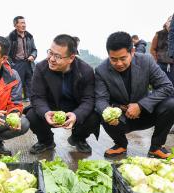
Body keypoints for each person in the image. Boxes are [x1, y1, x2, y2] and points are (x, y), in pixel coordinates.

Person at [95, 31, 174, 159]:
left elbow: (166, 86)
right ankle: (120, 144)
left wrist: (141, 105)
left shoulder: (146, 61)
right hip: (120, 119)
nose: (118, 63)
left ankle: (156, 147)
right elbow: (100, 99)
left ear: (132, 52)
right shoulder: (101, 70)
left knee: (171, 104)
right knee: (99, 111)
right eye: (113, 59)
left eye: (123, 58)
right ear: (108, 55)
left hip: (146, 113)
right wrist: (108, 112)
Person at [25, 34, 100, 154]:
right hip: (50, 108)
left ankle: (78, 139)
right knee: (31, 114)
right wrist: (45, 112)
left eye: (58, 56)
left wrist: (76, 115)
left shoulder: (86, 71)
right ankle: (46, 141)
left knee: (94, 116)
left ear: (71, 58)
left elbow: (89, 99)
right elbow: (37, 97)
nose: (51, 59)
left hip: (74, 109)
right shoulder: (41, 68)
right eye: (50, 52)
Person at [7, 16, 37, 102]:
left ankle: (29, 100)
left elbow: (34, 50)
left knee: (30, 82)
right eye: (21, 23)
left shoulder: (29, 37)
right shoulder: (10, 37)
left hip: (28, 62)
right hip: (17, 63)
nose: (24, 25)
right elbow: (6, 54)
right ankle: (17, 102)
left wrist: (33, 56)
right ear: (16, 25)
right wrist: (12, 64)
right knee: (18, 83)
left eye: (24, 23)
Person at [150, 16, 174, 85]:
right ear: (166, 23)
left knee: (172, 85)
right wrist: (156, 61)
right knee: (159, 84)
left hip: (172, 65)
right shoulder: (159, 34)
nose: (170, 23)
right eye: (169, 21)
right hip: (160, 64)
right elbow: (152, 49)